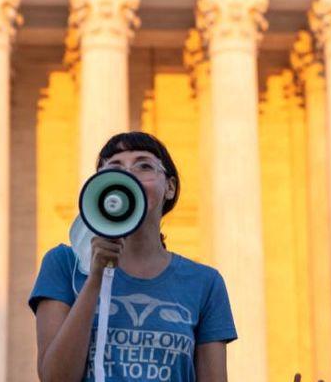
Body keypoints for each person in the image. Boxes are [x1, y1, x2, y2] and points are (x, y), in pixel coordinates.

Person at [29, 131, 236, 382]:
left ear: (169, 187)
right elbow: (55, 378)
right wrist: (96, 276)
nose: (128, 174)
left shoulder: (205, 283)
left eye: (144, 165)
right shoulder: (65, 264)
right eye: (114, 167)